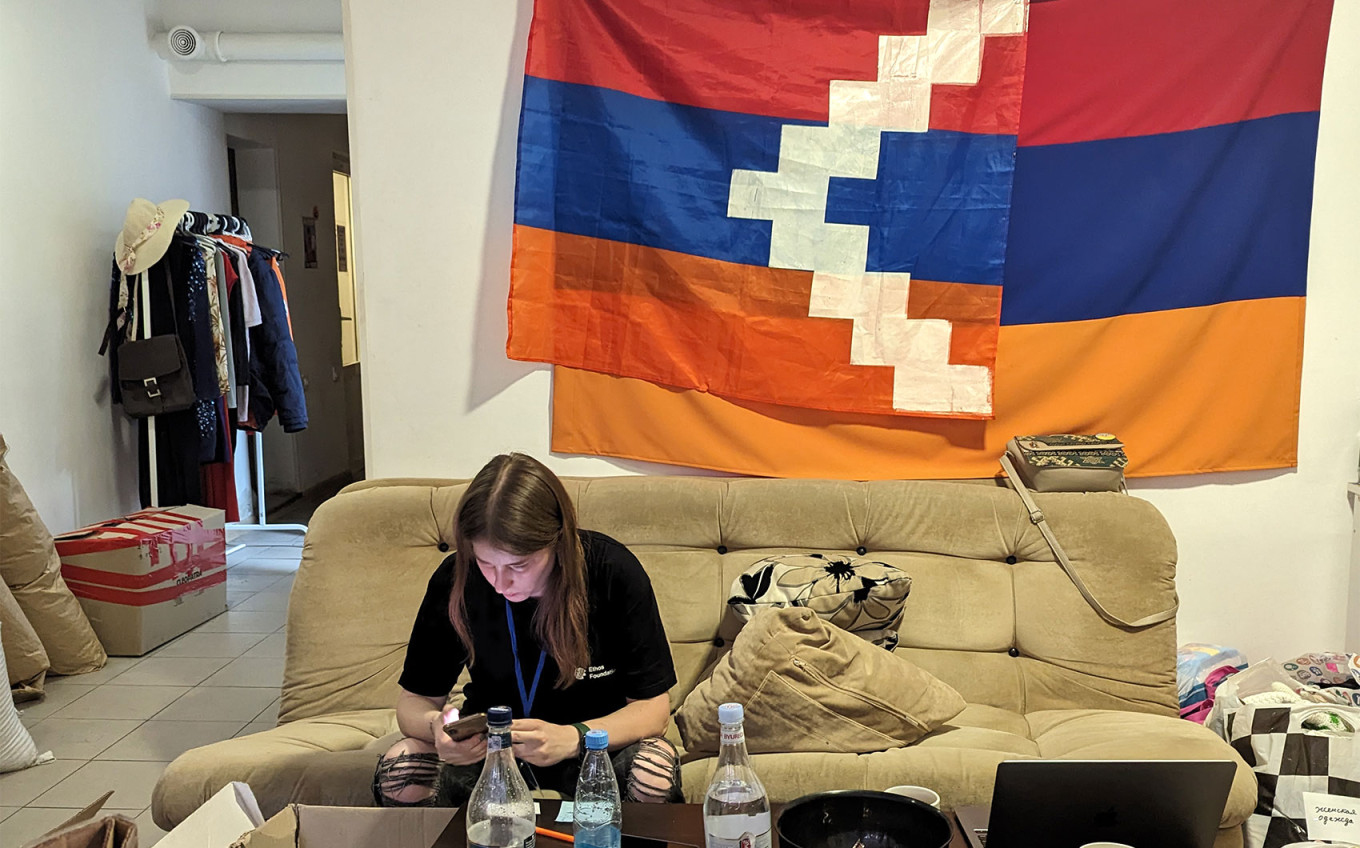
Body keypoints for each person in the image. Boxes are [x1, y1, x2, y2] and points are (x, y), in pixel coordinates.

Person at [373, 453, 682, 807]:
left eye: (519, 564)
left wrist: (574, 737)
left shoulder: (612, 572)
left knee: (652, 770)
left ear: (557, 542)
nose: (501, 582)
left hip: (592, 748)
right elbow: (415, 702)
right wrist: (437, 729)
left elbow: (653, 711)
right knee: (401, 771)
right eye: (486, 563)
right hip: (490, 751)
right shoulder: (456, 579)